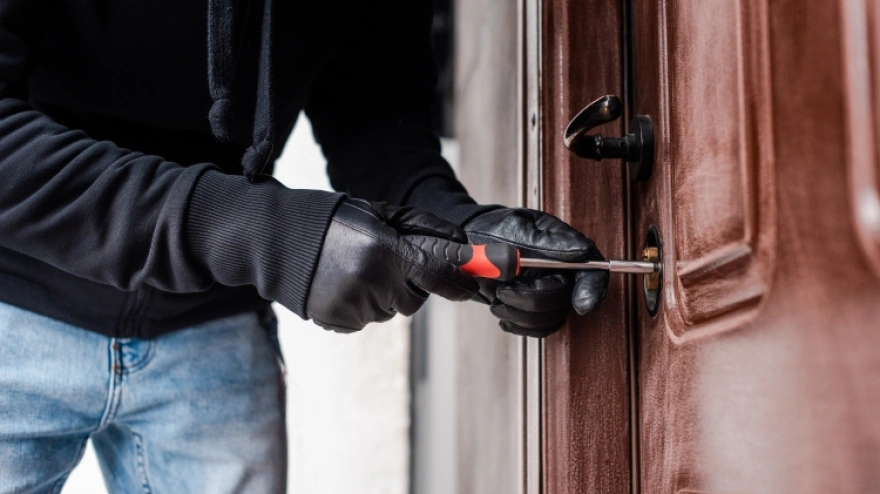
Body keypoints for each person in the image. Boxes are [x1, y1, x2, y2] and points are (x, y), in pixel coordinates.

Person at [0, 0, 608, 492]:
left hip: (214, 336)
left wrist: (459, 223)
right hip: (16, 317)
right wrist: (259, 231)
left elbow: (374, 114)